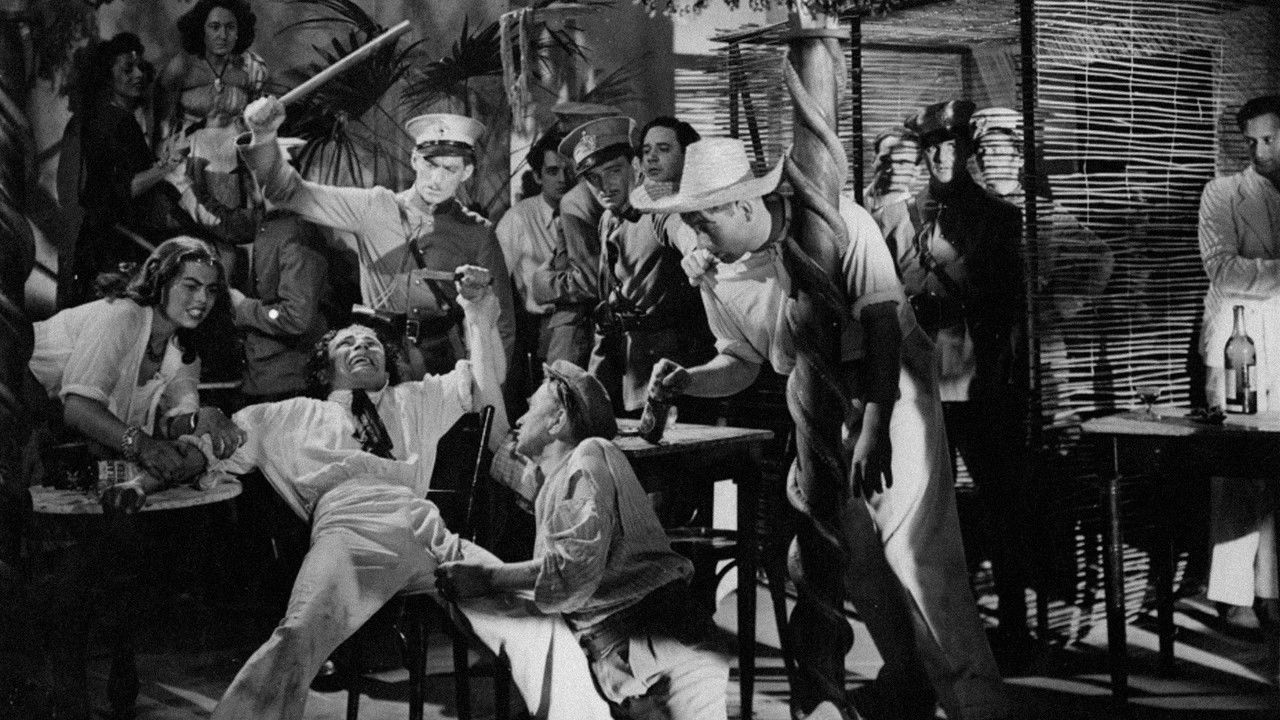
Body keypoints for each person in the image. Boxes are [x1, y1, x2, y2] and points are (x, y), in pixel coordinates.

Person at [635, 137, 1010, 720]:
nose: (698, 240)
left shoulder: (839, 223)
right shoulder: (718, 269)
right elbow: (740, 361)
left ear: (744, 206)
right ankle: (908, 682)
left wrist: (876, 426)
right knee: (849, 556)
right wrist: (687, 381)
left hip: (890, 390)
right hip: (819, 408)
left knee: (918, 556)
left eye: (704, 224)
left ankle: (979, 706)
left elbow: (883, 327)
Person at [198, 264, 611, 719]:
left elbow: (483, 378)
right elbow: (210, 449)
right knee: (298, 636)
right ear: (325, 366)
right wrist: (206, 418)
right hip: (349, 529)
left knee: (532, 619)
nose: (361, 347)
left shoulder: (416, 398)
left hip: (426, 528)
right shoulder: (287, 415)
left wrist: (477, 310)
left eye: (371, 343)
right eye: (346, 343)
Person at [437, 359, 729, 719]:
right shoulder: (556, 480)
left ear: (558, 420)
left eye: (530, 408)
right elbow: (500, 441)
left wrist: (487, 577)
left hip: (654, 641)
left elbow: (573, 573)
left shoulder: (589, 455)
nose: (519, 419)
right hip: (636, 651)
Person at [878, 100, 1030, 647]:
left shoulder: (1001, 217)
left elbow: (1008, 304)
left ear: (968, 150)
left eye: (952, 145)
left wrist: (953, 278)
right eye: (932, 147)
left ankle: (1013, 627)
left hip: (978, 379)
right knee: (919, 504)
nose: (941, 156)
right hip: (918, 378)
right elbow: (887, 293)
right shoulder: (905, 214)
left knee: (1000, 502)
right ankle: (930, 631)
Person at [239, 96, 517, 379]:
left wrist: (490, 391)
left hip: (442, 363)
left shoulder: (477, 232)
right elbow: (286, 192)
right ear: (414, 159)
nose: (436, 179)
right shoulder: (374, 207)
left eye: (450, 169)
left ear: (466, 172)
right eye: (430, 164)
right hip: (378, 357)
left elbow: (500, 322)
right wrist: (264, 136)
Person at [29, 236, 244, 508]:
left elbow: (170, 425)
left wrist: (200, 419)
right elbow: (78, 409)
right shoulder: (122, 315)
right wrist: (144, 445)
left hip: (54, 448)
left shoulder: (183, 349)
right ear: (159, 282)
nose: (203, 299)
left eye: (211, 290)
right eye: (191, 286)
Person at [559, 116, 715, 416]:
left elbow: (681, 229)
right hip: (626, 367)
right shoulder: (608, 218)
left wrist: (696, 253)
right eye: (593, 178)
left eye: (613, 171)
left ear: (635, 166)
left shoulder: (658, 204)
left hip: (670, 372)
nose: (604, 186)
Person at [1197, 94, 1280, 641]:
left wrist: (1264, 270)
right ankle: (1232, 594)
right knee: (1238, 467)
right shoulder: (1223, 193)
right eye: (1251, 141)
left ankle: (1271, 589)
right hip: (1239, 338)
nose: (1260, 150)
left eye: (1270, 138)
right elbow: (1223, 269)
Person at [63, 33, 190, 308]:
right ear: (107, 76)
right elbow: (124, 188)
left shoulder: (106, 117)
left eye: (141, 67)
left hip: (102, 238)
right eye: (127, 69)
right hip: (114, 243)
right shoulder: (115, 122)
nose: (138, 75)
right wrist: (169, 164)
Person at [226, 138, 331, 403]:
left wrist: (243, 308)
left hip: (287, 384)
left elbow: (296, 317)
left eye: (249, 177)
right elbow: (226, 224)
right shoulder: (270, 223)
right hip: (266, 376)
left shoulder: (296, 232)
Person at [529, 102, 624, 370]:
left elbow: (590, 280)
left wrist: (543, 284)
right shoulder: (612, 191)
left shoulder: (576, 199)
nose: (564, 153)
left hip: (578, 329)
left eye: (568, 139)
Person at [496, 131, 573, 394]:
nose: (563, 179)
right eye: (552, 171)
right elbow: (496, 280)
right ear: (538, 177)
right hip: (542, 331)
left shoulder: (590, 213)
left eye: (568, 170)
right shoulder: (518, 218)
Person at [157, 0, 268, 139]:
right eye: (215, 27)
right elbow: (164, 125)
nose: (223, 35)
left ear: (239, 31)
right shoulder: (181, 67)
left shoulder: (253, 67)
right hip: (188, 147)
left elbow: (257, 125)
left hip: (237, 146)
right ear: (201, 30)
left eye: (230, 27)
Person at [863, 128, 920, 218]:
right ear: (873, 159)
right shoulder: (848, 202)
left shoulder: (914, 218)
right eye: (886, 160)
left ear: (915, 171)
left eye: (902, 162)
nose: (892, 168)